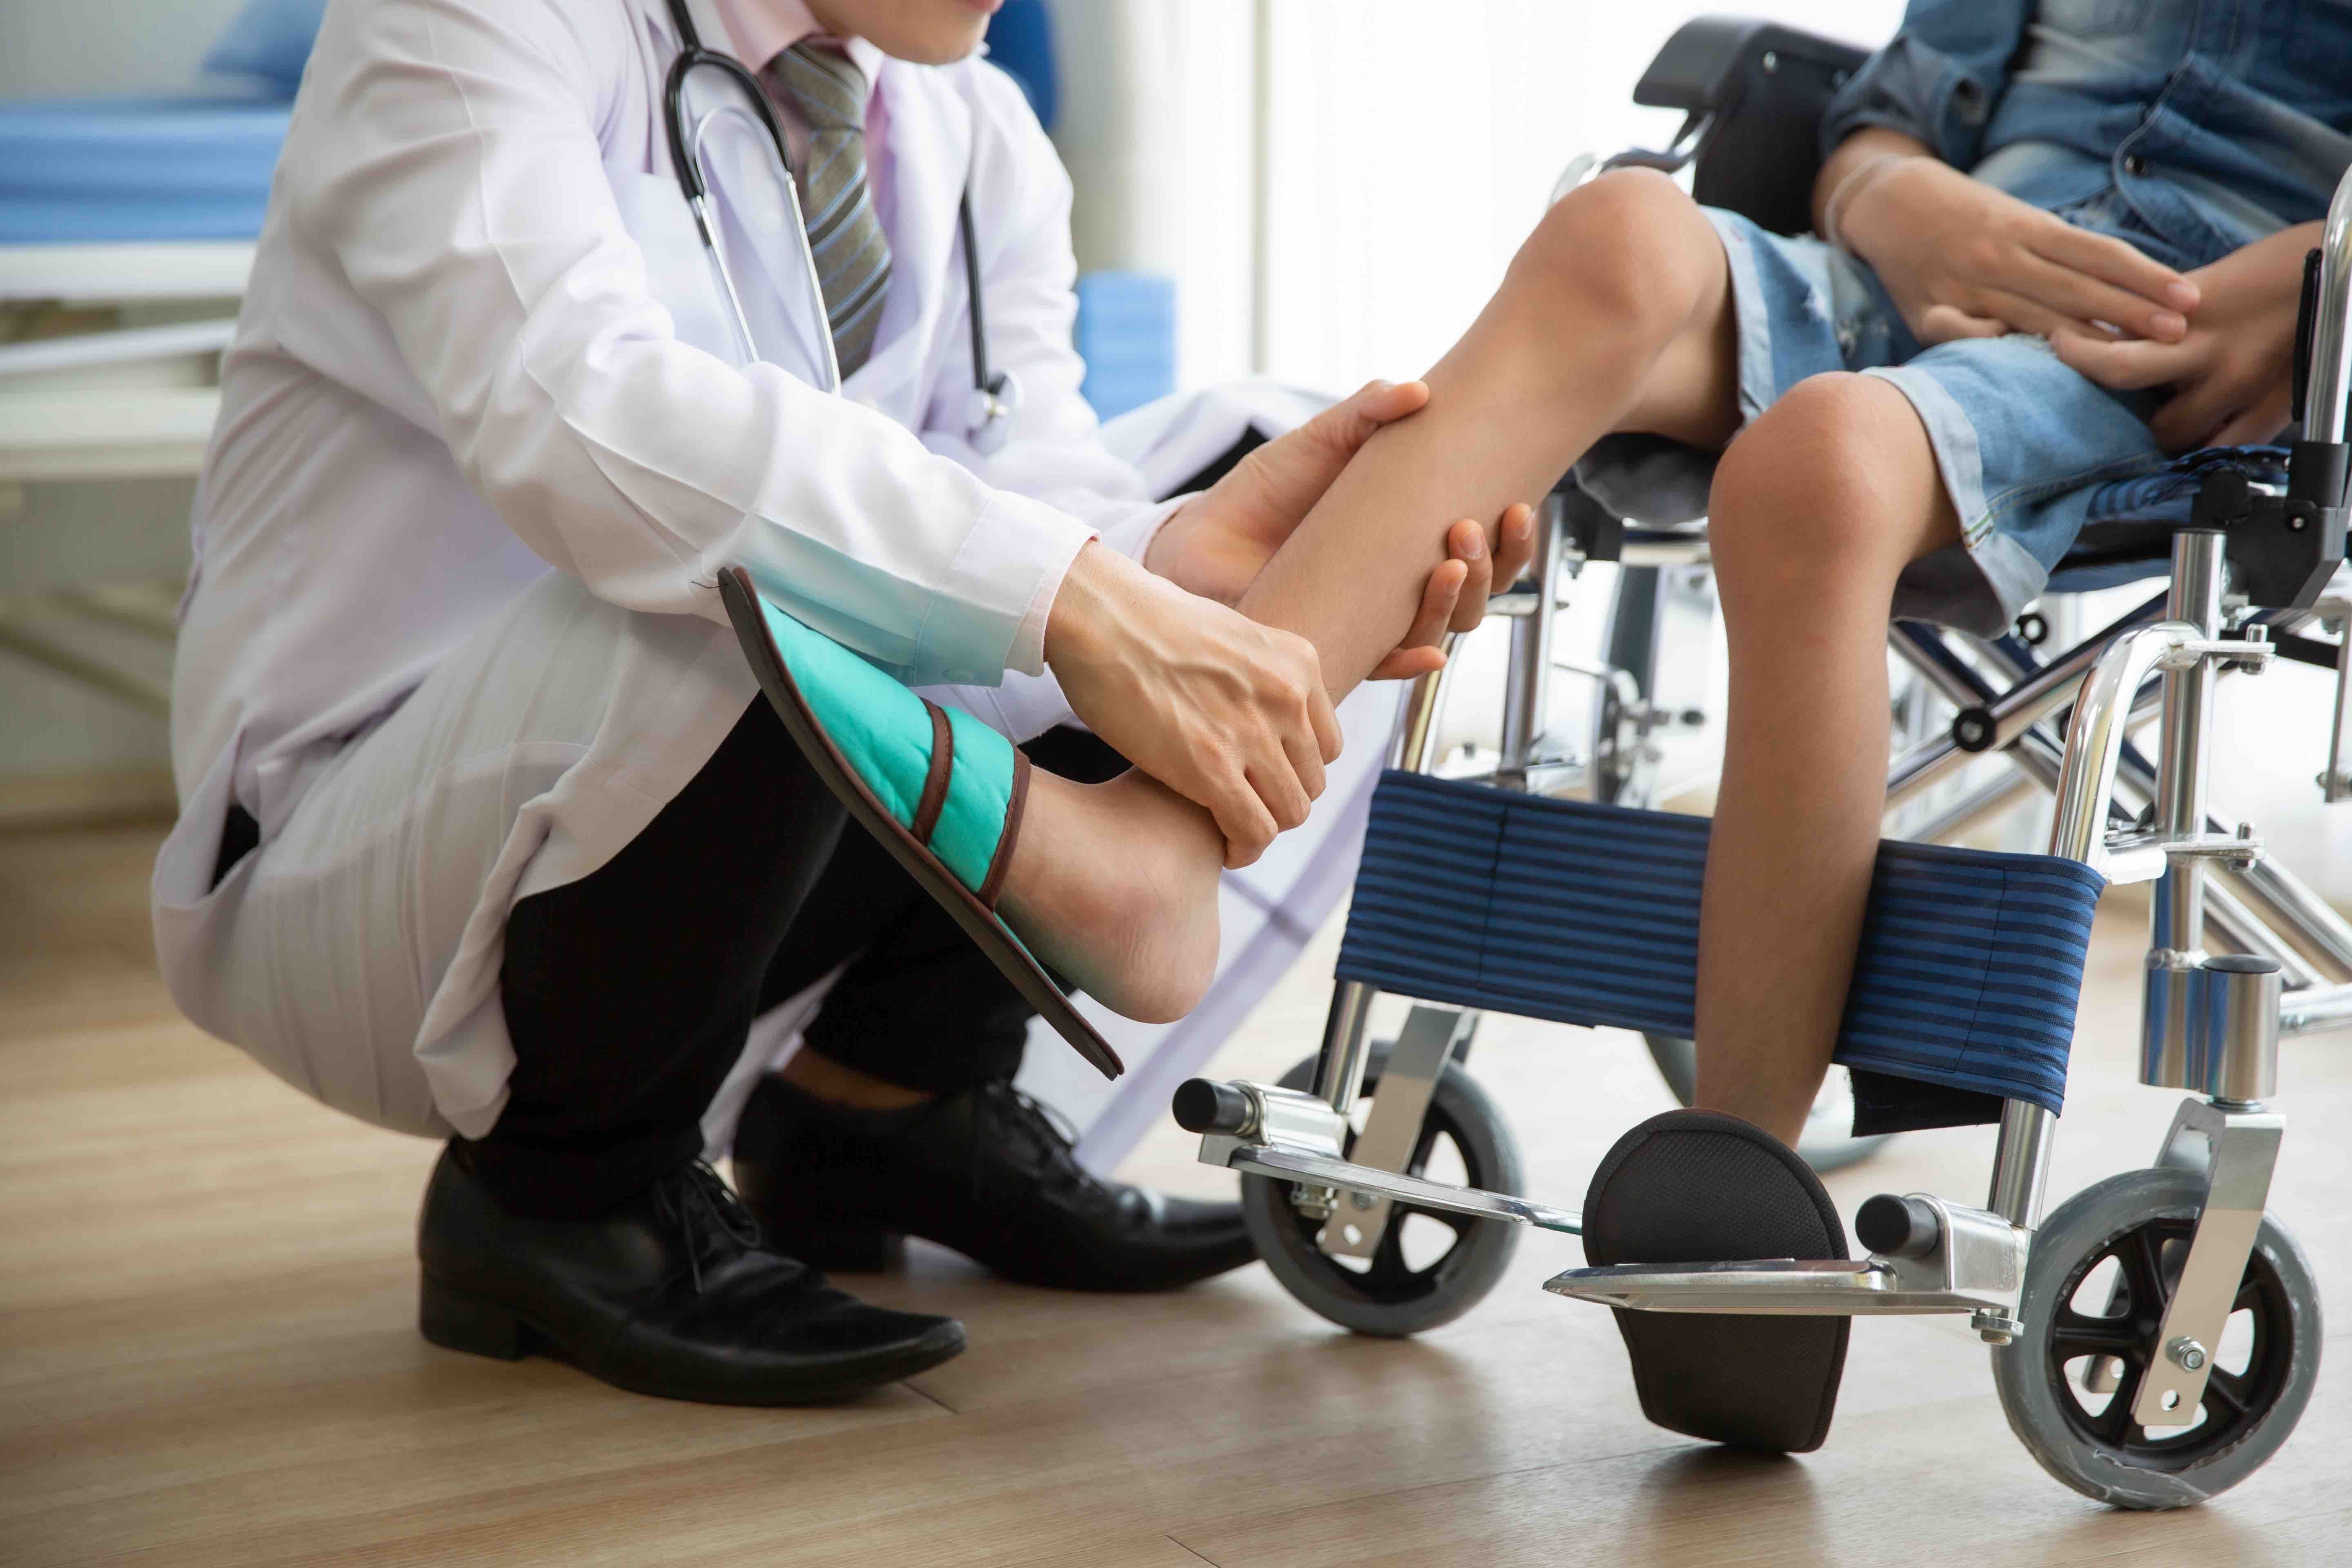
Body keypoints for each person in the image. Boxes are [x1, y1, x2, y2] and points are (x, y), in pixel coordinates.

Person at [845, 0, 2346, 1451]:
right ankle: (1171, 830)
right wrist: (1897, 199)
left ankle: (1741, 1193)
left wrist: (2305, 278)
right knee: (1615, 228)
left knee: (1813, 461)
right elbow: (1881, 116)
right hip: (1902, 290)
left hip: (2185, 365)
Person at [156, 0, 1535, 1408]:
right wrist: (1085, 597)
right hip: (357, 851)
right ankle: (567, 1193)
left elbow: (1019, 476)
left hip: (709, 824)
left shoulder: (971, 125)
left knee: (1232, 483)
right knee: (758, 558)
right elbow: (582, 422)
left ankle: (889, 1102)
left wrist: (1177, 560)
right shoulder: (469, 21)